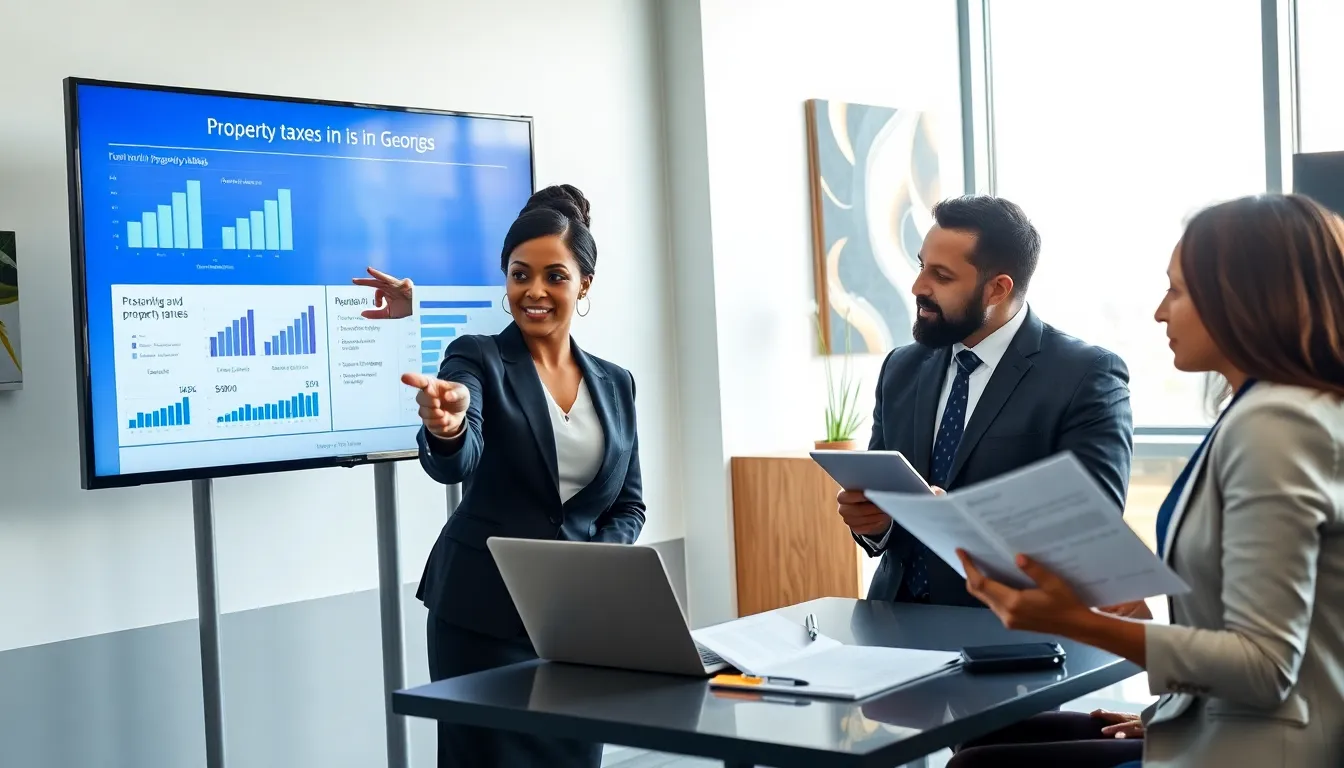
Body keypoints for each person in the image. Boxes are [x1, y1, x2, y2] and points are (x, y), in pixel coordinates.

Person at [950, 193, 1344, 768]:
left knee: (977, 764)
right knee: (989, 737)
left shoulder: (1275, 424)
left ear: (1244, 299)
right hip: (1221, 716)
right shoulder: (1284, 408)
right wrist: (1163, 712)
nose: (1161, 312)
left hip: (1267, 748)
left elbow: (1263, 666)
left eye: (1177, 291)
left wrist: (1077, 622)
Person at [373, 185, 646, 768]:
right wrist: (446, 428)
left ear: (585, 285)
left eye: (554, 276)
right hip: (482, 618)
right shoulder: (476, 357)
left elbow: (628, 505)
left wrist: (592, 565)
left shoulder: (616, 383)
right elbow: (459, 454)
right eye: (521, 275)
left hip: (576, 621)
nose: (535, 291)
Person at [837, 195, 1134, 607]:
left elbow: (1091, 527)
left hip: (1015, 632)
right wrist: (874, 524)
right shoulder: (901, 368)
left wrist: (962, 522)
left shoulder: (1085, 374)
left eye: (941, 276)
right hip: (893, 621)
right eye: (922, 266)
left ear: (997, 288)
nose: (918, 287)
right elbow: (882, 502)